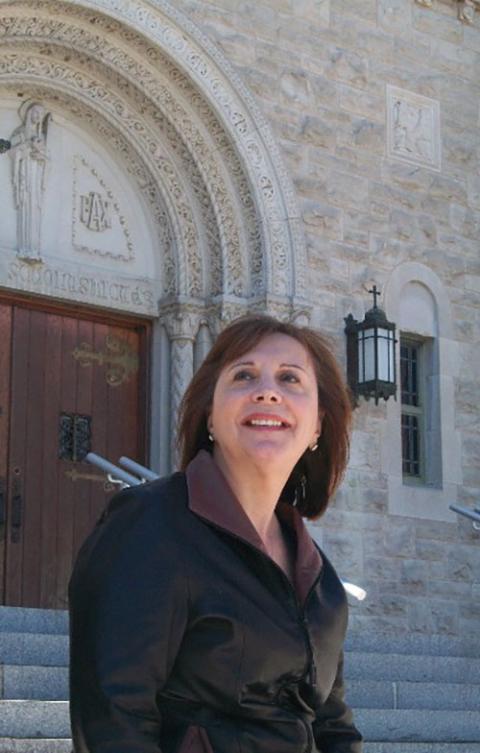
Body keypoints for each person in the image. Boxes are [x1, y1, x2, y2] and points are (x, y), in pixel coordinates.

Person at [69, 314, 363, 753]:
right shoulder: (150, 525)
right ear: (210, 413)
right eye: (244, 375)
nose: (268, 391)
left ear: (318, 424)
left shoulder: (320, 580)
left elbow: (333, 727)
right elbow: (114, 719)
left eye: (290, 378)